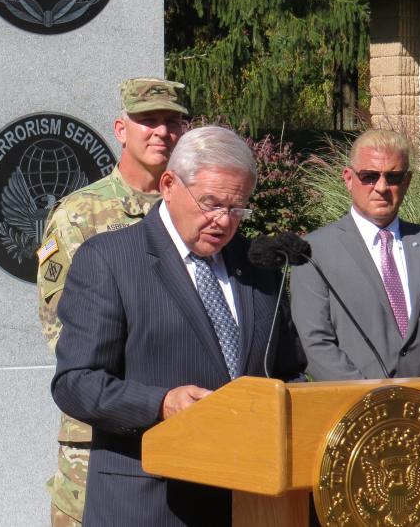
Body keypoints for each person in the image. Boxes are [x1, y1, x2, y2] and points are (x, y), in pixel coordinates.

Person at [51, 126, 305, 526]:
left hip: (250, 504)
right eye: (211, 203)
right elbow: (75, 382)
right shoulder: (110, 260)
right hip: (149, 503)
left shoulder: (257, 265)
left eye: (238, 209)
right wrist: (161, 404)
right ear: (169, 184)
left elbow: (288, 370)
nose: (223, 220)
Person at [37, 77, 187, 526]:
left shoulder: (194, 209)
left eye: (172, 122)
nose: (162, 132)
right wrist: (145, 395)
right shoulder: (80, 215)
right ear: (122, 129)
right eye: (148, 121)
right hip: (101, 436)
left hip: (187, 428)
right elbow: (59, 326)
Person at [291, 129, 420, 380]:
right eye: (370, 176)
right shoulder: (313, 252)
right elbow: (314, 343)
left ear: (407, 182)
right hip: (356, 408)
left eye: (393, 177)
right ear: (349, 178)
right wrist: (371, 398)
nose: (382, 187)